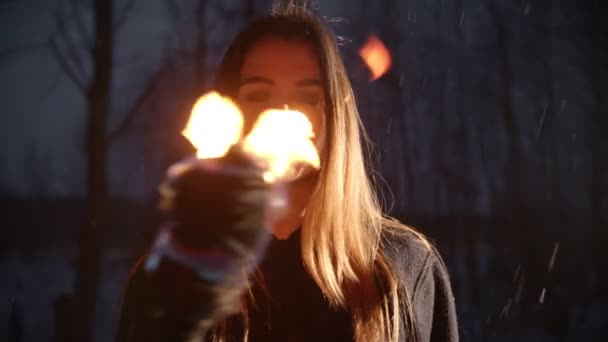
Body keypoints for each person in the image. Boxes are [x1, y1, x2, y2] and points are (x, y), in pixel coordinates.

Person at [116, 3, 458, 342]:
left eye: (308, 97)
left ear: (336, 114)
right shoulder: (176, 276)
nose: (281, 113)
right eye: (258, 95)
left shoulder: (403, 268)